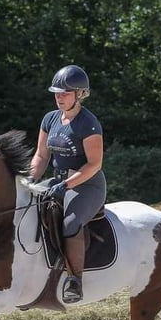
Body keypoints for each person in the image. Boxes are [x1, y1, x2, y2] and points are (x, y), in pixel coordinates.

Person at [29, 64, 106, 303]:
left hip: (87, 184)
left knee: (71, 223)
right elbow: (42, 156)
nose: (59, 97)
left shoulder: (88, 123)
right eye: (57, 93)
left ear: (79, 94)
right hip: (57, 180)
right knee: (25, 207)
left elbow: (94, 164)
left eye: (65, 93)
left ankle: (75, 281)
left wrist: (67, 185)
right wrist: (30, 180)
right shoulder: (49, 119)